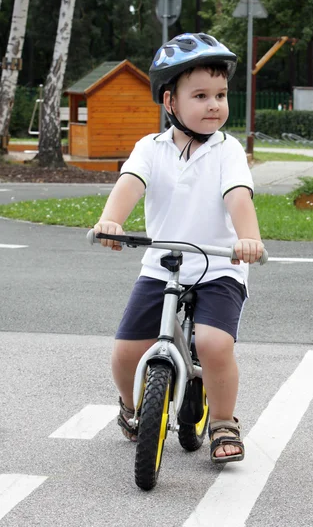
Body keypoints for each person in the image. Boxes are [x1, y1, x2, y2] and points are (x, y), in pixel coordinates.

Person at [93, 32, 264, 464]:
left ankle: (224, 421)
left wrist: (249, 238)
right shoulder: (150, 149)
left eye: (221, 95)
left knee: (213, 343)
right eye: (201, 95)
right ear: (170, 102)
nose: (214, 105)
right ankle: (131, 408)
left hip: (218, 266)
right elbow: (130, 184)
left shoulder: (228, 152)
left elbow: (238, 198)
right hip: (163, 263)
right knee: (127, 351)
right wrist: (112, 220)